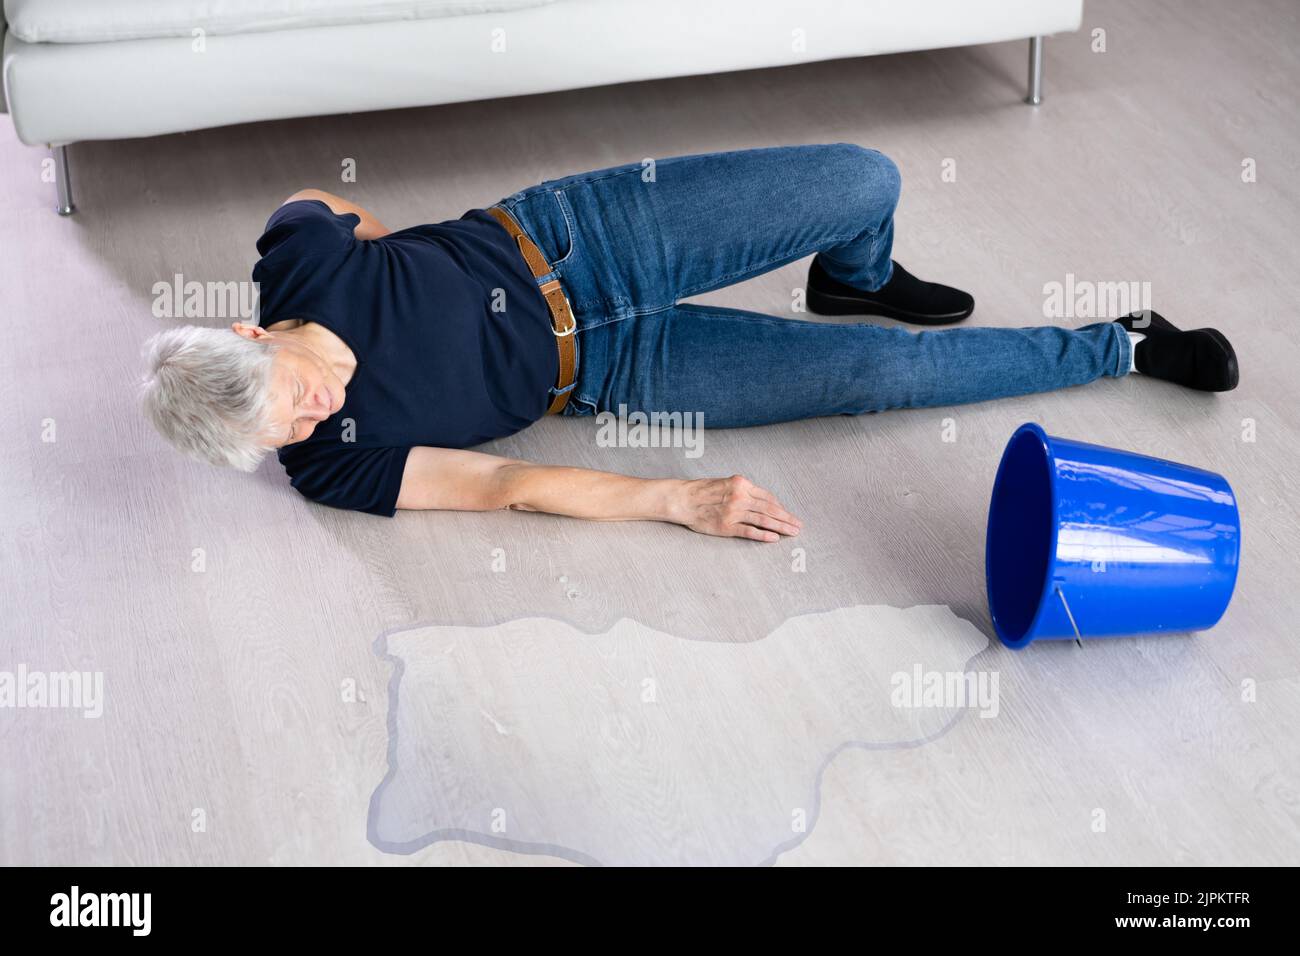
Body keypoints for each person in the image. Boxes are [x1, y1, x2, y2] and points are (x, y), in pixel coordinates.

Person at [140, 144, 1238, 543]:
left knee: (867, 180)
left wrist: (413, 248)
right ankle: (1121, 344)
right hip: (615, 372)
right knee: (876, 376)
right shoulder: (329, 465)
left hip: (584, 238)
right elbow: (500, 480)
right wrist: (679, 498)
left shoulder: (298, 260)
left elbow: (324, 206)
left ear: (255, 329)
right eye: (282, 431)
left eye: (288, 391)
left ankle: (852, 279)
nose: (309, 417)